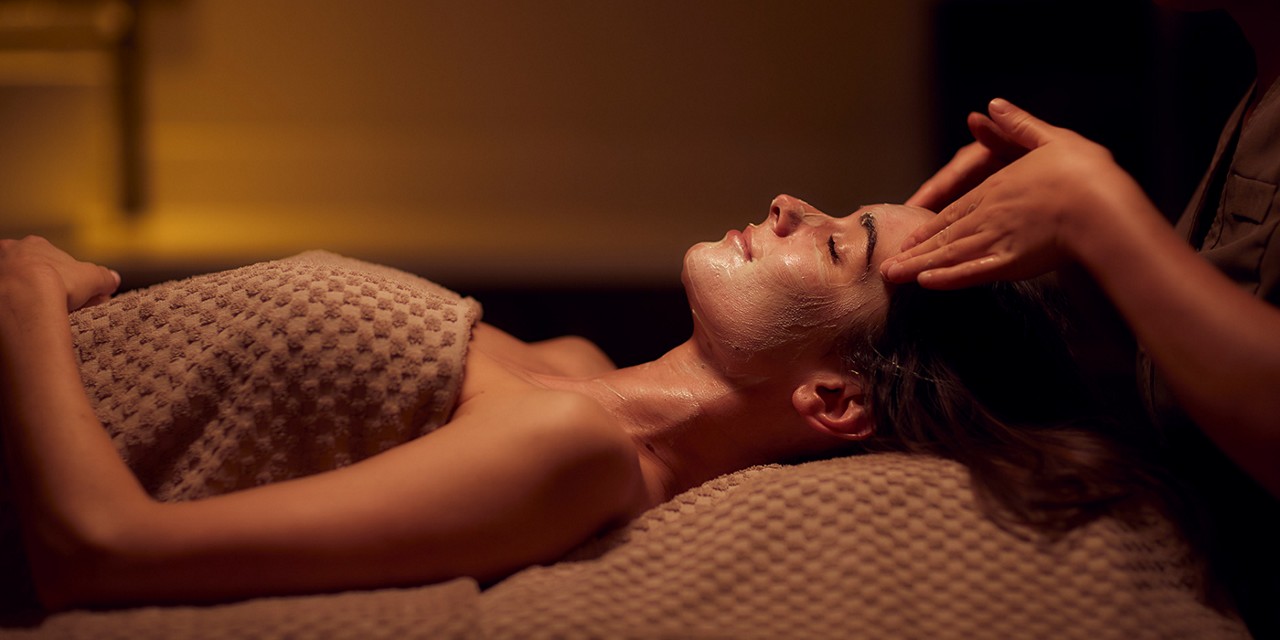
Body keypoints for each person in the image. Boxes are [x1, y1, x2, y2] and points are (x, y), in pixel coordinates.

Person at [0, 194, 1163, 611]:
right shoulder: (571, 366)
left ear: (833, 402)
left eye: (840, 244)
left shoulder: (571, 450)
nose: (789, 201)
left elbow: (98, 552)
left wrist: (29, 304)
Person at [880, 2, 1279, 635]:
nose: (784, 204)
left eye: (839, 243)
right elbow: (1191, 377)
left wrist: (1095, 214)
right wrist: (1080, 246)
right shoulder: (1257, 83)